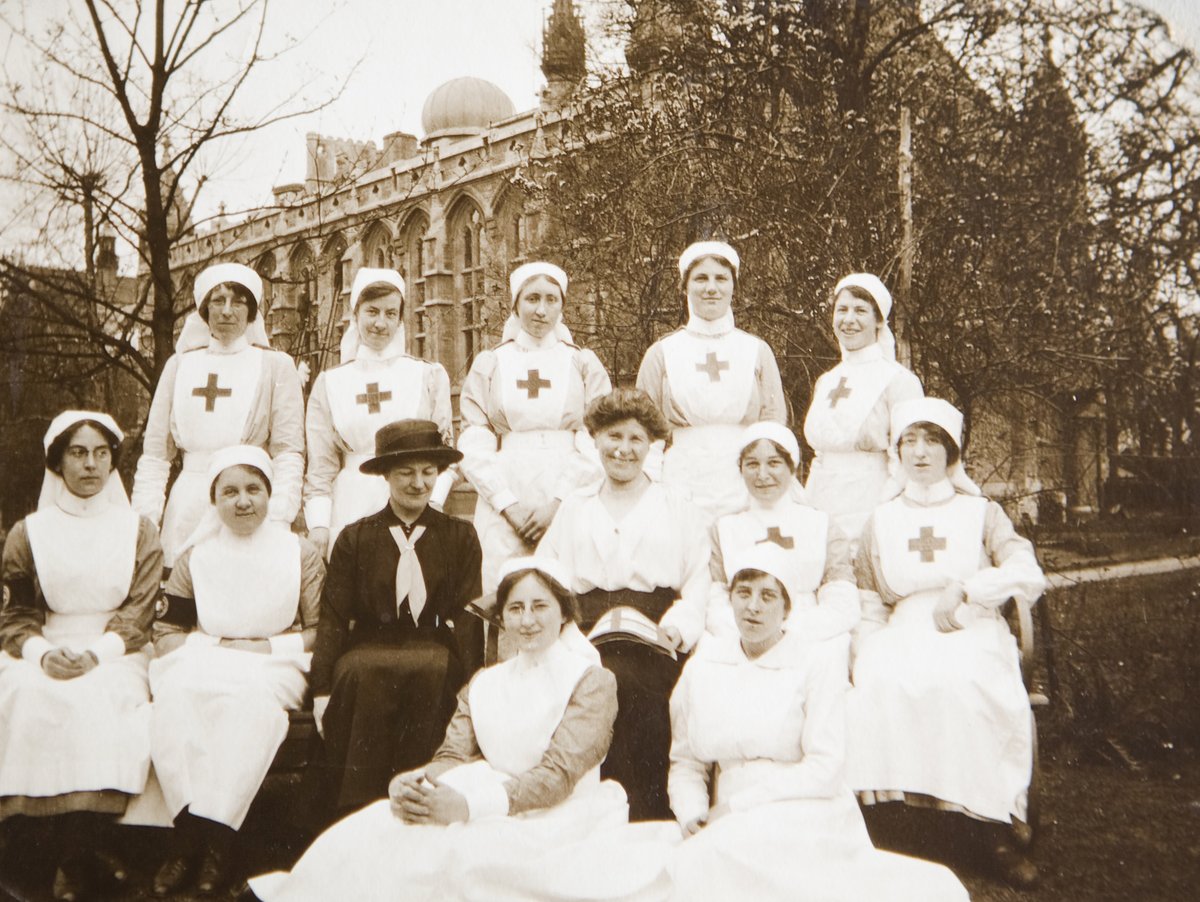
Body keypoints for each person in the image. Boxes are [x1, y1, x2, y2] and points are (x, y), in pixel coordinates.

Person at [248, 557, 677, 902]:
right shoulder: (485, 682)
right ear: (502, 617)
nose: (527, 620)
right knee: (376, 825)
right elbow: (451, 757)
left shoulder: (590, 680)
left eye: (540, 606)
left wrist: (468, 807)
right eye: (515, 608)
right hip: (480, 793)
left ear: (564, 611)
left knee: (459, 857)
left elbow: (557, 777)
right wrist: (415, 783)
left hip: (556, 815)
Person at [667, 548, 970, 901]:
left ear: (787, 607)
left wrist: (737, 807)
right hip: (727, 814)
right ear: (730, 598)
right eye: (744, 593)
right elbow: (686, 763)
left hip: (806, 806)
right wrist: (693, 814)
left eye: (768, 595)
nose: (753, 607)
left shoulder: (814, 663)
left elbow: (825, 768)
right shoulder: (703, 667)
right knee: (705, 864)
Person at [846, 397, 1046, 887]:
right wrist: (863, 649)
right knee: (878, 683)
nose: (920, 451)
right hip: (904, 627)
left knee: (966, 684)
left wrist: (969, 588)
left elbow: (1027, 573)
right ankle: (890, 825)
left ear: (951, 452)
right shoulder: (881, 519)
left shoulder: (981, 512)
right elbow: (869, 596)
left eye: (932, 439)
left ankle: (994, 829)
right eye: (909, 440)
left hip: (972, 624)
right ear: (896, 451)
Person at [0, 411, 162, 901]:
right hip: (46, 644)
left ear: (113, 460)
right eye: (77, 452)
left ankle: (83, 850)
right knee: (25, 695)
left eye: (101, 453)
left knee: (102, 698)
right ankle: (51, 854)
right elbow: (15, 615)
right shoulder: (29, 532)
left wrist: (97, 655)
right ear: (57, 462)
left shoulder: (138, 528)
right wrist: (42, 655)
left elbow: (138, 613)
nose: (91, 465)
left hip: (118, 649)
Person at [147, 445, 322, 895]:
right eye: (230, 492)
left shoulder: (298, 552)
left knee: (247, 708)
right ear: (214, 500)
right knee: (177, 698)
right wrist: (213, 647)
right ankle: (187, 838)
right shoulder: (195, 557)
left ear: (269, 494)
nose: (242, 501)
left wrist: (264, 646)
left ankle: (218, 844)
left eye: (253, 489)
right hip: (206, 657)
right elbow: (166, 628)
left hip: (275, 664)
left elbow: (322, 629)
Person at [539, 388, 710, 821]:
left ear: (651, 443)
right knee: (594, 680)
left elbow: (698, 580)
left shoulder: (677, 504)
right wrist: (565, 632)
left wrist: (678, 627)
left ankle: (648, 812)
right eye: (614, 437)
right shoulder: (576, 506)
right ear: (594, 438)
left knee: (638, 684)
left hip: (656, 633)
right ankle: (594, 815)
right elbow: (547, 577)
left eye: (636, 439)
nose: (624, 449)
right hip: (584, 632)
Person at [309, 419, 484, 818]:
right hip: (368, 645)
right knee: (360, 671)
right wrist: (321, 691)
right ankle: (361, 810)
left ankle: (422, 803)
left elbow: (468, 616)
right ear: (386, 475)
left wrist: (475, 686)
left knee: (436, 669)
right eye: (405, 472)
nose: (418, 483)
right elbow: (333, 618)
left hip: (434, 645)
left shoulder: (459, 537)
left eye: (427, 472)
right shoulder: (355, 538)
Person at [132, 262, 306, 567]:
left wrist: (276, 516)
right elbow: (155, 456)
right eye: (218, 300)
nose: (227, 311)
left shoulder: (275, 366)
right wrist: (145, 522)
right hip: (187, 508)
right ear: (204, 309)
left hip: (246, 508)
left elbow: (288, 453)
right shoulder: (179, 366)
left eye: (239, 302)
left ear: (252, 312)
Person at [457, 261, 611, 596]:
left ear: (562, 306)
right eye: (532, 299)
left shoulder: (582, 363)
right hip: (505, 493)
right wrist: (508, 504)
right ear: (515, 304)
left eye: (551, 300)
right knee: (505, 590)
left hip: (570, 491)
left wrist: (558, 504)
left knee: (568, 587)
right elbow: (473, 441)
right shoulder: (490, 363)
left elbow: (598, 439)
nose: (541, 310)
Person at [304, 267, 455, 559]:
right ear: (355, 314)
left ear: (401, 319)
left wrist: (432, 504)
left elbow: (446, 454)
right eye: (372, 311)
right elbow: (320, 466)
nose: (380, 323)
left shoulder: (428, 376)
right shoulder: (330, 383)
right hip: (350, 505)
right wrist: (320, 524)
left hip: (415, 501)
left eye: (390, 313)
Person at [636, 241, 786, 519]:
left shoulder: (756, 350)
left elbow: (773, 424)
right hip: (682, 480)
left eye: (721, 279)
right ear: (684, 287)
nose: (711, 288)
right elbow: (644, 431)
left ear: (733, 286)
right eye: (701, 279)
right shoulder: (662, 353)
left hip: (745, 481)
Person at [705, 421, 859, 644]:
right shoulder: (723, 528)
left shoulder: (821, 524)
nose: (763, 474)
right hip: (744, 633)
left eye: (774, 463)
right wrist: (752, 634)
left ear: (792, 467)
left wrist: (786, 634)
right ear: (740, 469)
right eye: (752, 464)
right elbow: (714, 601)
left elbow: (842, 601)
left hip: (810, 632)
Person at [803, 273, 923, 547]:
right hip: (821, 499)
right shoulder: (827, 380)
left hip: (871, 502)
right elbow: (820, 455)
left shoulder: (899, 380)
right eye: (842, 310)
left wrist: (885, 511)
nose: (849, 320)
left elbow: (906, 459)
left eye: (860, 311)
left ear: (879, 320)